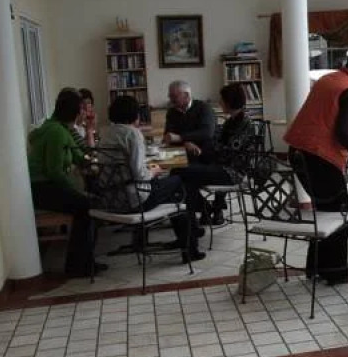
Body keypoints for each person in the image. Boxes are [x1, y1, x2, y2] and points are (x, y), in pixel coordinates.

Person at [284, 43, 348, 285]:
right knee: (340, 209)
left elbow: (332, 121)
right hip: (318, 155)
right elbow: (342, 133)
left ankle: (317, 267)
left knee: (325, 210)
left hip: (299, 150)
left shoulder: (330, 79)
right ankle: (336, 272)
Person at [99, 95, 205, 262]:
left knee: (167, 187)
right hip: (135, 200)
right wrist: (154, 171)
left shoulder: (106, 133)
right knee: (178, 183)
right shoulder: (133, 134)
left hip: (112, 198)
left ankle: (144, 240)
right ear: (135, 114)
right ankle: (190, 248)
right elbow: (140, 174)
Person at [28, 88, 100, 278]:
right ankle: (78, 265)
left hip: (47, 186)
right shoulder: (56, 132)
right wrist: (77, 191)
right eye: (82, 109)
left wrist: (93, 161)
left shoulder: (60, 128)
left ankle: (85, 262)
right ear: (75, 112)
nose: (84, 112)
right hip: (41, 189)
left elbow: (79, 156)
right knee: (87, 205)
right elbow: (55, 172)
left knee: (90, 203)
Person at [171, 83, 255, 233]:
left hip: (232, 172)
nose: (220, 102)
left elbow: (227, 151)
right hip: (221, 166)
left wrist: (200, 149)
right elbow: (216, 143)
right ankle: (195, 225)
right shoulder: (231, 121)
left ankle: (204, 212)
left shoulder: (245, 123)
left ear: (229, 101)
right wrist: (201, 148)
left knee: (178, 172)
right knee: (185, 179)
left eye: (222, 100)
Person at [162, 80, 216, 163]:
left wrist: (180, 138)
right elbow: (169, 136)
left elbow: (207, 132)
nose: (171, 99)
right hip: (181, 152)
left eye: (174, 96)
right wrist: (185, 143)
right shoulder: (171, 112)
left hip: (203, 153)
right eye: (170, 96)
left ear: (186, 95)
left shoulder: (204, 108)